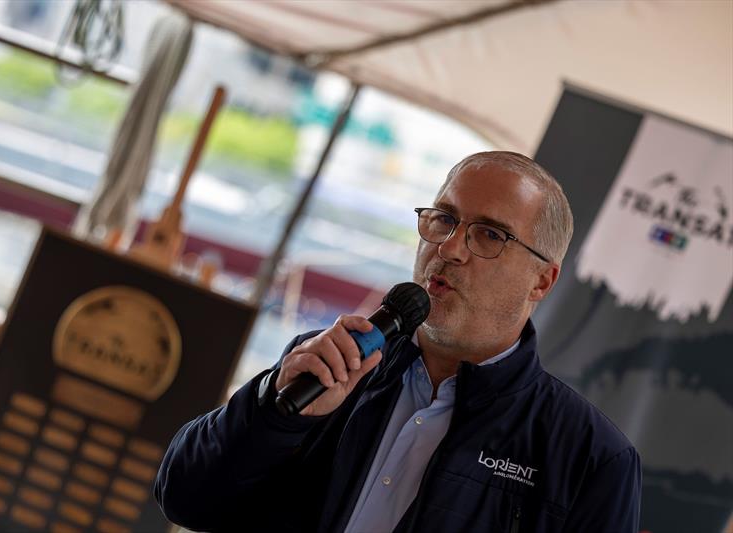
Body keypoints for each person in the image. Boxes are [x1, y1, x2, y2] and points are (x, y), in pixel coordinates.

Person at [153, 151, 641, 532]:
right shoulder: (330, 363)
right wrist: (273, 412)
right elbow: (183, 498)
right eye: (444, 219)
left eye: (490, 235)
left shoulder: (590, 457)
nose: (448, 249)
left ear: (542, 282)